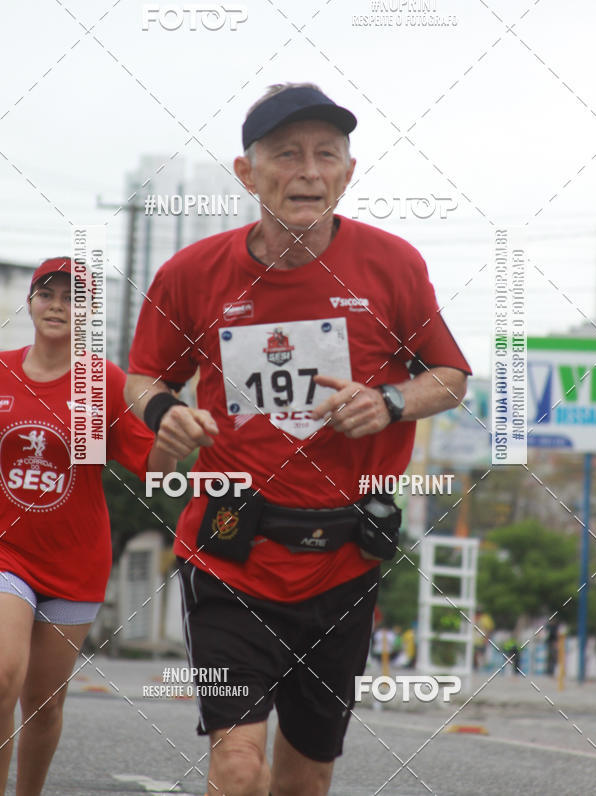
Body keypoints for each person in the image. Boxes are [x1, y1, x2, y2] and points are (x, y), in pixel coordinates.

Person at [125, 82, 472, 796]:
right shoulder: (191, 274)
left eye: (326, 154)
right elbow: (143, 376)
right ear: (247, 173)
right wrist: (164, 413)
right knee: (237, 765)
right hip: (230, 551)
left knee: (305, 778)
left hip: (343, 560)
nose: (309, 170)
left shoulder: (393, 265)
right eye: (286, 154)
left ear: (348, 171)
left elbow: (450, 376)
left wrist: (390, 401)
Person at [0, 258, 175, 796]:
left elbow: (153, 467)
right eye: (47, 294)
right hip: (8, 553)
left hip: (75, 562)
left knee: (43, 704)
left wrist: (173, 436)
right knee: (3, 675)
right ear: (30, 302)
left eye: (72, 298)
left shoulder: (105, 383)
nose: (57, 306)